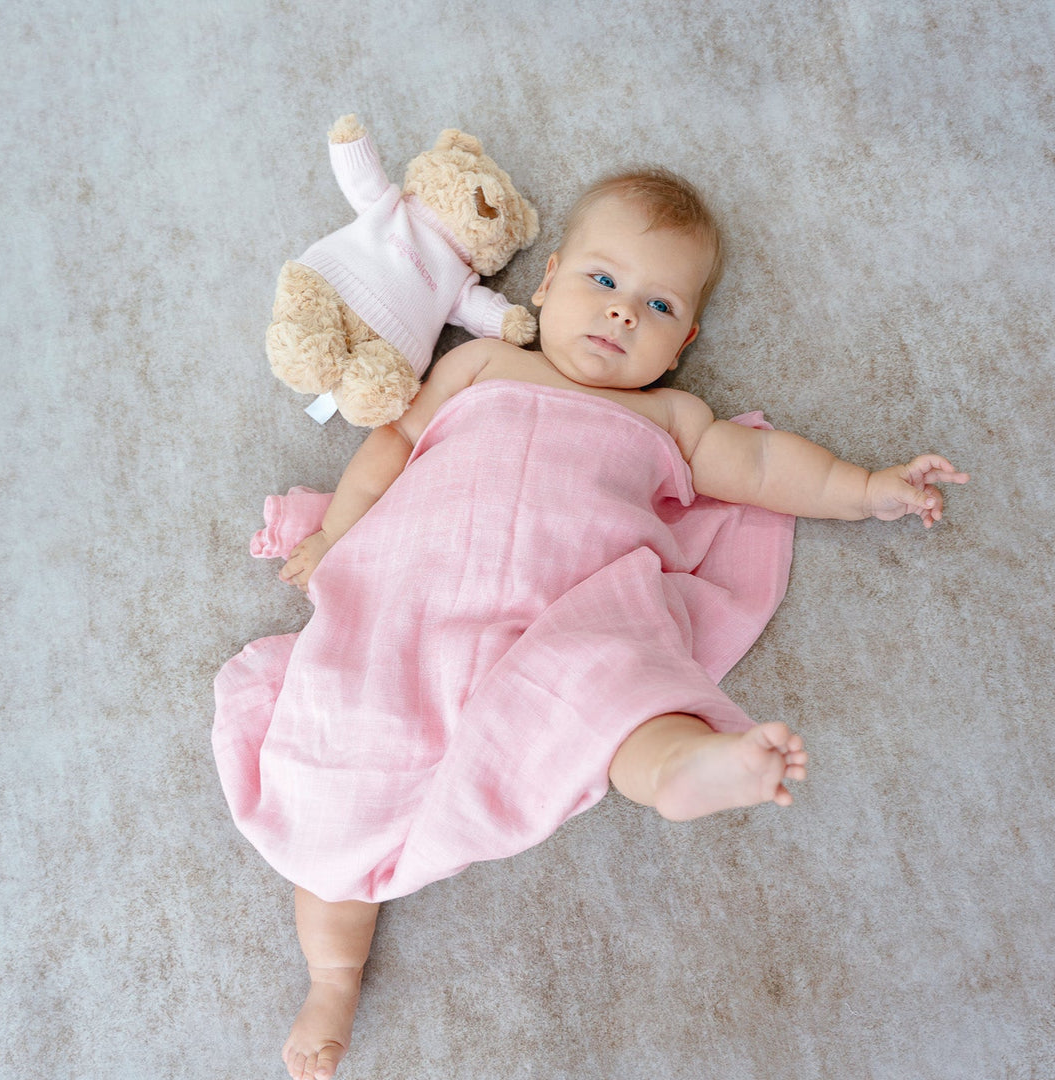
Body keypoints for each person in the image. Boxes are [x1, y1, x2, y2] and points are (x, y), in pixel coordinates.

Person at [216, 168, 968, 1080]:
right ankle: (333, 974)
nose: (620, 315)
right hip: (411, 600)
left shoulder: (673, 418)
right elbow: (391, 443)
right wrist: (337, 530)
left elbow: (767, 467)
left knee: (607, 691)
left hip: (559, 617)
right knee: (333, 759)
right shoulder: (481, 364)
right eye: (602, 283)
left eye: (655, 305)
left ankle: (684, 766)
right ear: (548, 280)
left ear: (684, 341)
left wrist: (865, 489)